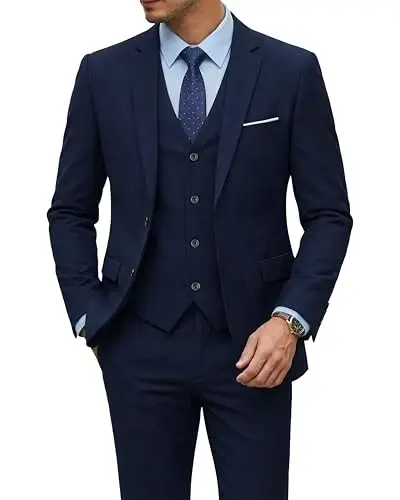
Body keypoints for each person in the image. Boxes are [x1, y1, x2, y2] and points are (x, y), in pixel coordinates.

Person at [47, 0, 352, 498]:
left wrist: (290, 320)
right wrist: (90, 316)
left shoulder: (290, 71)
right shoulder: (103, 73)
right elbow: (70, 211)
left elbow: (328, 216)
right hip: (138, 345)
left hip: (255, 346)